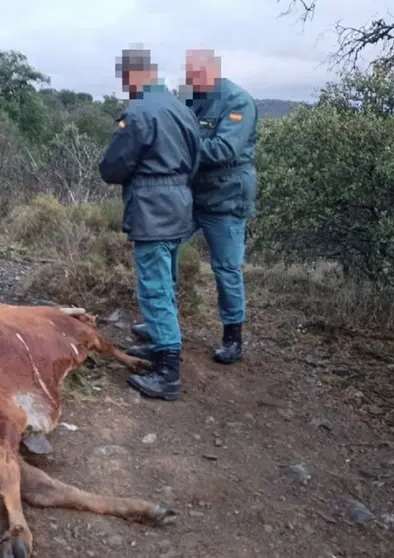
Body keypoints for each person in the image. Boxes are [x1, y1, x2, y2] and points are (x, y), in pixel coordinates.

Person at [129, 49, 258, 365]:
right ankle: (162, 324)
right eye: (187, 73)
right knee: (166, 250)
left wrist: (173, 148)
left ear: (212, 71)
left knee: (226, 268)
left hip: (226, 199)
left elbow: (223, 149)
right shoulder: (188, 97)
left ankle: (232, 337)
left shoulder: (238, 101)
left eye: (194, 74)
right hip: (189, 196)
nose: (188, 80)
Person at [98, 46, 200, 401]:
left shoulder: (140, 113)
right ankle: (160, 346)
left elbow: (111, 167)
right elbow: (196, 160)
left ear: (133, 75)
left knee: (154, 287)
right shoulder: (182, 110)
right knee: (166, 283)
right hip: (180, 207)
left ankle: (167, 372)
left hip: (152, 210)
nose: (125, 87)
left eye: (124, 80)